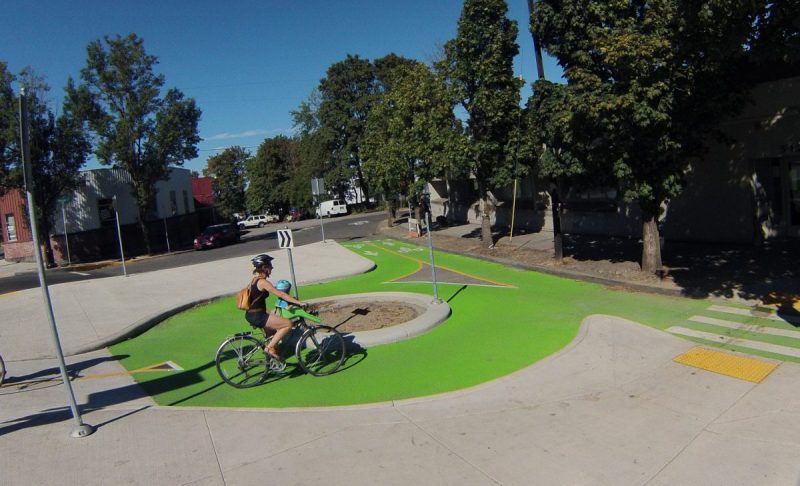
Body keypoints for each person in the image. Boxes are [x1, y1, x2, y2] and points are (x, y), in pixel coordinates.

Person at [244, 253, 307, 360]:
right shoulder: (263, 282)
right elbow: (281, 294)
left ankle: (273, 360)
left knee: (272, 333)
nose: (272, 268)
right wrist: (299, 303)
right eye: (270, 265)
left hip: (252, 314)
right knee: (288, 324)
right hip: (258, 316)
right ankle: (269, 348)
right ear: (264, 267)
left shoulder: (253, 280)